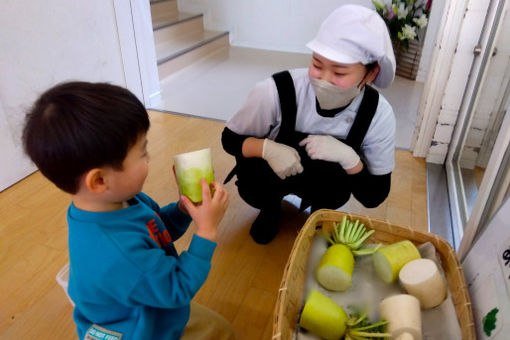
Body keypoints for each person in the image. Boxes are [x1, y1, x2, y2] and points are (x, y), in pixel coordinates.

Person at [22, 82, 235, 340]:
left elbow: (156, 230)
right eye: (142, 152)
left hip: (147, 298)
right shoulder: (117, 252)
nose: (150, 157)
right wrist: (207, 230)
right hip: (141, 330)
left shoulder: (121, 201)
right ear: (100, 181)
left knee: (222, 329)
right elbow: (177, 287)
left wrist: (182, 210)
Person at [222, 4, 397, 244]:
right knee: (253, 179)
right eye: (317, 65)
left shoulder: (377, 115)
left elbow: (374, 195)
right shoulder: (276, 90)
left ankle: (320, 212)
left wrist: (350, 159)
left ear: (370, 74)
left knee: (335, 187)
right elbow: (229, 139)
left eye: (339, 73)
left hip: (326, 184)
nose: (324, 79)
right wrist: (266, 149)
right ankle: (270, 208)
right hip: (270, 176)